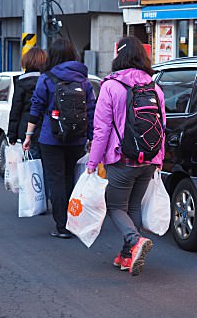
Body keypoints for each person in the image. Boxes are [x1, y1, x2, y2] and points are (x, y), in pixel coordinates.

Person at [86, 36, 166, 276]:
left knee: (115, 207)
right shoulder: (154, 86)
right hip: (149, 159)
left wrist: (92, 162)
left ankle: (134, 240)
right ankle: (126, 256)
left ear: (119, 55)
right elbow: (163, 125)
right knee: (133, 207)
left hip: (121, 159)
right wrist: (159, 158)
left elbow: (102, 130)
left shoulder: (110, 86)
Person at [23, 39, 96, 239]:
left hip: (50, 138)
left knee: (56, 181)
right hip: (77, 138)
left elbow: (36, 107)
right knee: (71, 178)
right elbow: (91, 110)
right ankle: (73, 221)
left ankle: (61, 226)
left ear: (53, 55)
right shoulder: (83, 79)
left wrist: (29, 136)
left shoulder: (46, 78)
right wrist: (90, 138)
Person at [8, 47, 47, 159]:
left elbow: (16, 108)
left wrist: (12, 135)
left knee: (31, 165)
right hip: (46, 129)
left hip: (26, 129)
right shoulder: (48, 80)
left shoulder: (21, 81)